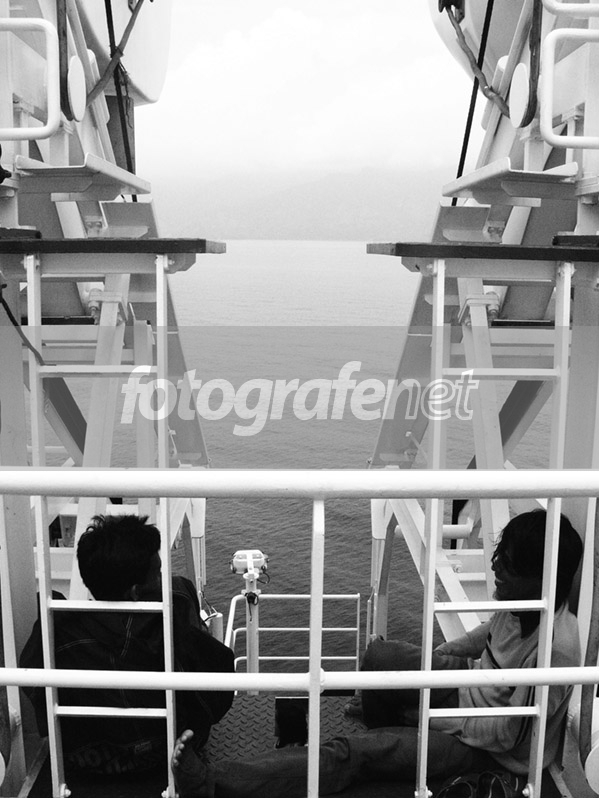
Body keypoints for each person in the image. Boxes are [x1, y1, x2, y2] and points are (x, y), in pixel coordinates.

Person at [170, 509, 583, 797]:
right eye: (499, 557)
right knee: (381, 656)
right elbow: (486, 634)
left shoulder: (555, 648)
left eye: (508, 564)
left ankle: (213, 782)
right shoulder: (522, 602)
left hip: (485, 752)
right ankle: (389, 728)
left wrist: (422, 715)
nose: (495, 569)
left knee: (351, 753)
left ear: (541, 576)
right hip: (468, 696)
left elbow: (505, 735)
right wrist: (433, 665)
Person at [20, 514, 235, 776]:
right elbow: (218, 698)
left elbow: (32, 686)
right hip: (165, 753)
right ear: (135, 592)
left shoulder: (59, 631)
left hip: (87, 761)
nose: (163, 579)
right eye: (158, 573)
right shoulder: (172, 625)